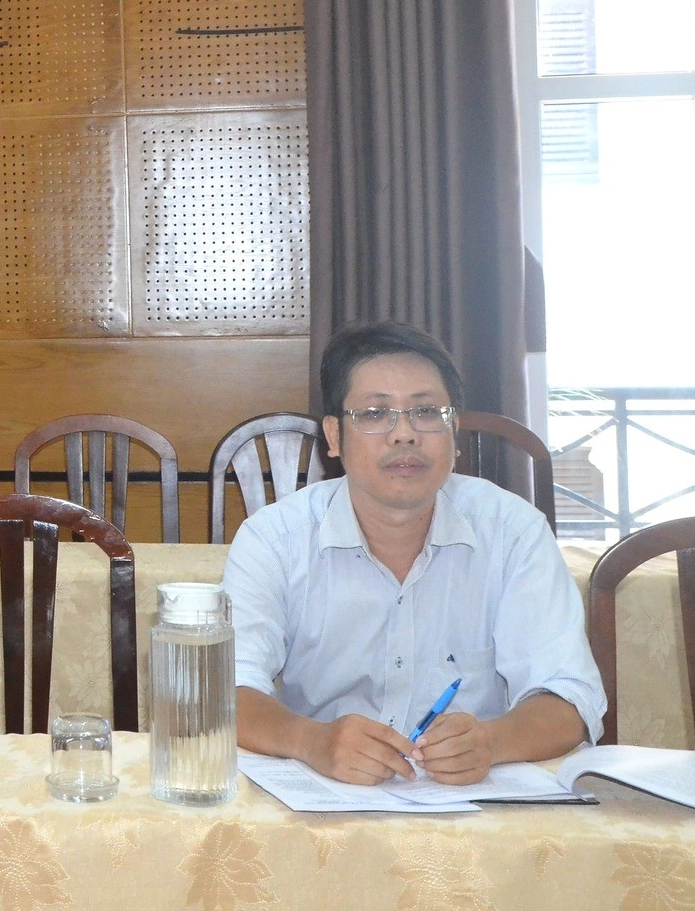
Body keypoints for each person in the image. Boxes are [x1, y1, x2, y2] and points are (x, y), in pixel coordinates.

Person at [224, 321, 604, 786]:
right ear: (334, 436)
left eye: (426, 412)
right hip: (325, 799)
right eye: (374, 413)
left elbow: (570, 698)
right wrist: (311, 741)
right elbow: (224, 689)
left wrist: (492, 742)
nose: (404, 434)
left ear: (454, 429)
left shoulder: (514, 532)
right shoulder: (275, 539)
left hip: (476, 803)